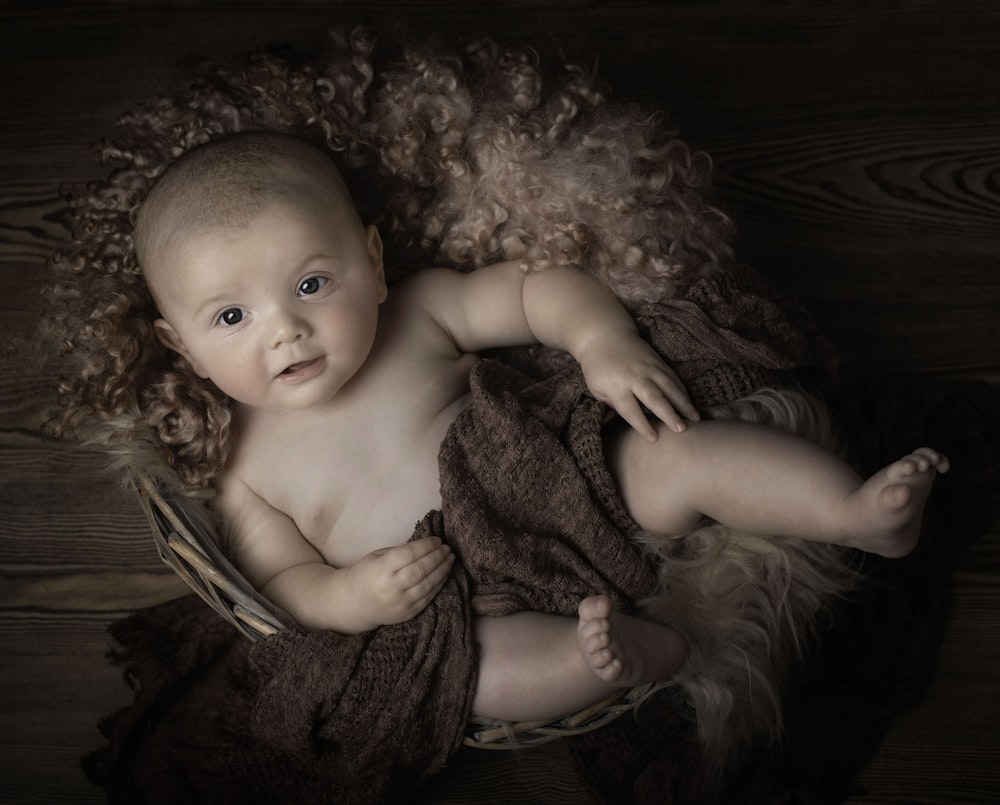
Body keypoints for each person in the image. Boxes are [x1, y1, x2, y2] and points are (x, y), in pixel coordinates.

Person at [132, 131, 948, 723]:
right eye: (232, 315)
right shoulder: (242, 467)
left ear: (374, 263)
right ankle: (633, 653)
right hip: (466, 597)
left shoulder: (417, 313)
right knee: (476, 681)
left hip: (568, 478)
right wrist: (350, 594)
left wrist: (603, 344)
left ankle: (854, 514)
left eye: (312, 283)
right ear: (185, 347)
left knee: (679, 453)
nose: (285, 332)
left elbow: (533, 288)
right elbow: (280, 586)